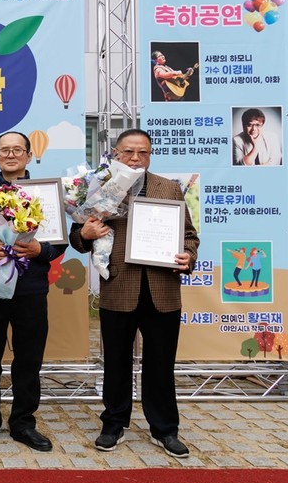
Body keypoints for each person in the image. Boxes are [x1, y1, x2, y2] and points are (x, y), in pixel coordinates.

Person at [68, 128, 199, 458]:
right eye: (128, 152)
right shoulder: (99, 187)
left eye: (143, 152)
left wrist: (188, 256)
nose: (136, 158)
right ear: (115, 153)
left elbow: (189, 235)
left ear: (150, 155)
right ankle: (113, 424)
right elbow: (77, 237)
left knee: (161, 364)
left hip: (162, 290)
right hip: (118, 287)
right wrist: (85, 233)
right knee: (115, 362)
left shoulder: (169, 188)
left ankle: (165, 429)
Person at [0, 131, 67, 452]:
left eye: (17, 149)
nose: (10, 155)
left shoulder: (45, 195)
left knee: (29, 360)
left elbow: (59, 241)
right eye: (4, 150)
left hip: (31, 290)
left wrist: (41, 251)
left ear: (29, 155)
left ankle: (23, 423)